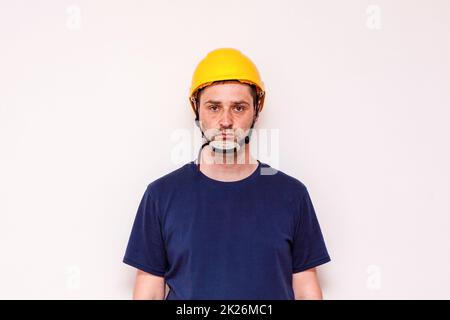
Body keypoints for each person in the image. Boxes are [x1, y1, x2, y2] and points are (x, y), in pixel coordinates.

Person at [123, 48, 331, 300]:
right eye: (213, 107)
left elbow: (307, 291)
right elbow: (149, 294)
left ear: (256, 110)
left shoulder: (292, 195)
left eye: (239, 108)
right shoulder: (161, 195)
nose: (225, 120)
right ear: (197, 110)